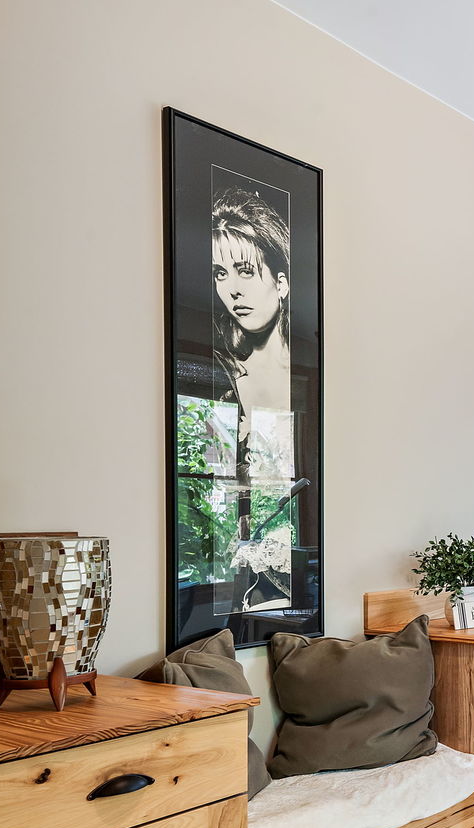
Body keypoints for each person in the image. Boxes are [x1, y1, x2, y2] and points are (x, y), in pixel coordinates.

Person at [210, 185, 296, 610]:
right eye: (220, 274)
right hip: (228, 573)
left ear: (281, 283)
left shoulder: (303, 385)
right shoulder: (219, 375)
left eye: (245, 270)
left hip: (281, 578)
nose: (233, 290)